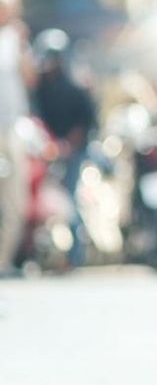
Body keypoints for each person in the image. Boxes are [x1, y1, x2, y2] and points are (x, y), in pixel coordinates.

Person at [33, 28, 97, 269]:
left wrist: (68, 145)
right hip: (47, 149)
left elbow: (86, 121)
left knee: (71, 199)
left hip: (74, 150)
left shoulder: (76, 85)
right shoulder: (40, 88)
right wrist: (48, 144)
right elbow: (37, 118)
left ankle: (75, 257)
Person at [0, 0, 36, 276]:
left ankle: (4, 260)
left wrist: (23, 46)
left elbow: (30, 80)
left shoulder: (16, 39)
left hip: (11, 129)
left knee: (15, 200)